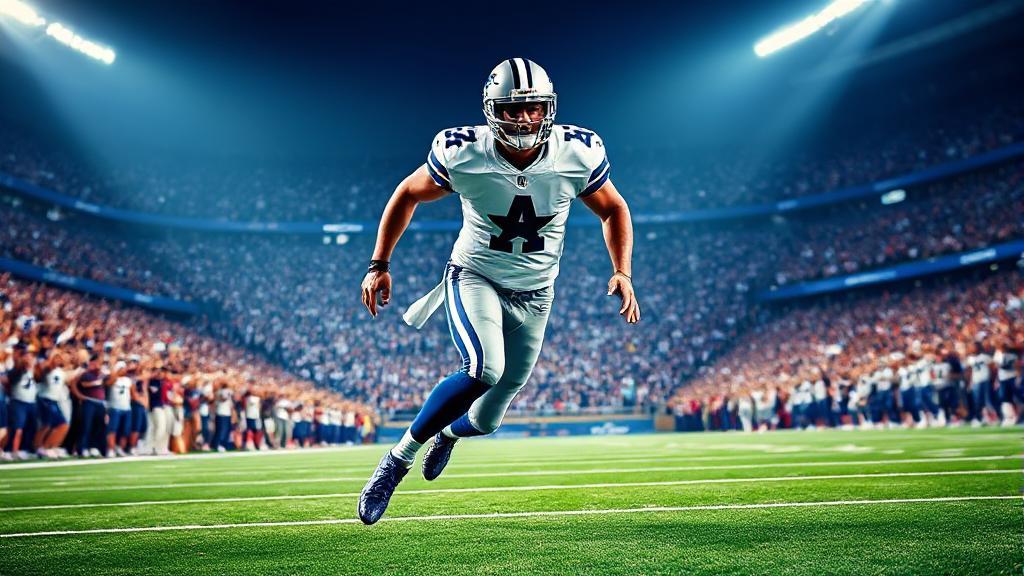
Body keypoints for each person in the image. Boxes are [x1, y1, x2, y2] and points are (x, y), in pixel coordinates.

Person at [357, 59, 639, 524]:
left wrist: (623, 271)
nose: (525, 119)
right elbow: (407, 193)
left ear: (548, 108)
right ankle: (397, 460)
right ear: (493, 111)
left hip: (537, 292)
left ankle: (448, 435)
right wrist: (379, 264)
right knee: (485, 368)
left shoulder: (577, 152)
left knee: (486, 420)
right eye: (513, 109)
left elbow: (614, 209)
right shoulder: (463, 151)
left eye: (533, 108)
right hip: (475, 275)